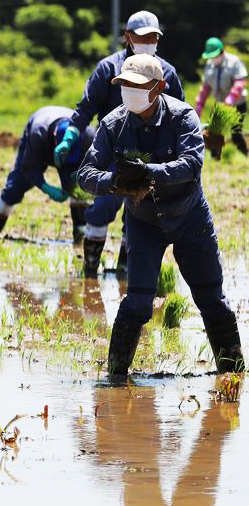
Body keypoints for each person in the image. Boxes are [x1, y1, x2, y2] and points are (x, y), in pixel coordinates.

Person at [77, 54, 242, 376]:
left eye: (137, 86)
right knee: (137, 301)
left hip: (189, 217)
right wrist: (114, 181)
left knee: (211, 298)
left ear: (159, 87)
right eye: (124, 85)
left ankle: (233, 374)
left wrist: (149, 172)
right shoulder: (113, 123)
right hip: (144, 222)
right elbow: (86, 173)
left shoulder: (183, 116)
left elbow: (192, 163)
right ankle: (115, 379)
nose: (129, 91)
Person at [69, 10, 185, 278]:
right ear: (128, 37)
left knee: (138, 215)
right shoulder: (108, 68)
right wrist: (71, 134)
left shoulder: (167, 72)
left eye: (153, 36)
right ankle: (89, 270)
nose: (148, 41)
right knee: (100, 211)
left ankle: (125, 271)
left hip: (150, 158)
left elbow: (179, 113)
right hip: (112, 153)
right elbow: (87, 107)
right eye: (142, 36)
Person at [0, 106, 94, 242]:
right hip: (41, 135)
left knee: (77, 187)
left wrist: (78, 175)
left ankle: (80, 234)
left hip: (73, 151)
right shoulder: (38, 134)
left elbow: (94, 160)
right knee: (19, 182)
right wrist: (46, 188)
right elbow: (29, 169)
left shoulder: (87, 134)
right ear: (54, 138)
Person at [194, 37, 248, 151]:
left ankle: (244, 154)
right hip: (220, 105)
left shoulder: (234, 62)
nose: (213, 58)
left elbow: (240, 81)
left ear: (221, 51)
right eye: (211, 56)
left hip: (237, 105)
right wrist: (199, 105)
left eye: (215, 56)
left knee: (236, 134)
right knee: (213, 133)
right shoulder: (210, 64)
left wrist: (231, 98)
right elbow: (206, 87)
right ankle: (215, 158)